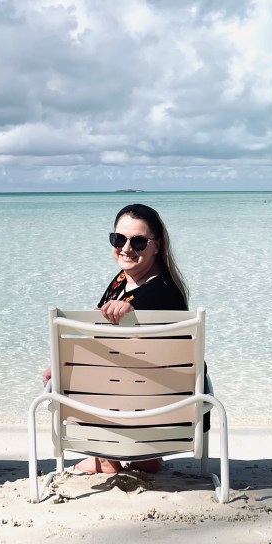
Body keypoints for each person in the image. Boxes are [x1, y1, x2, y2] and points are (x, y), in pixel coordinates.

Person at [49, 203, 189, 475]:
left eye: (138, 241)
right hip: (174, 409)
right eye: (118, 239)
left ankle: (106, 456)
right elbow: (98, 336)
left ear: (157, 245)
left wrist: (63, 366)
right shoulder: (128, 281)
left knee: (88, 375)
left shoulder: (159, 295)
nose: (126, 248)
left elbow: (107, 346)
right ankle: (140, 457)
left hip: (148, 403)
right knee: (98, 372)